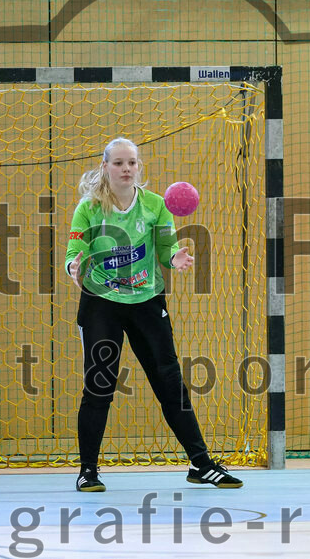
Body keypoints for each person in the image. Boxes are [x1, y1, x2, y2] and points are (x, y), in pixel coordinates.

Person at [65, 137, 242, 492]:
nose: (126, 168)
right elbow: (75, 248)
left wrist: (176, 257)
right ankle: (88, 470)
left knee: (170, 383)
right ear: (105, 167)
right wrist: (74, 264)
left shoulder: (156, 206)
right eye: (118, 163)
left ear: (138, 166)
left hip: (147, 301)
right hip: (102, 303)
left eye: (131, 162)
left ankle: (200, 464)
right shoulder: (89, 208)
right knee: (99, 387)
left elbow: (167, 246)